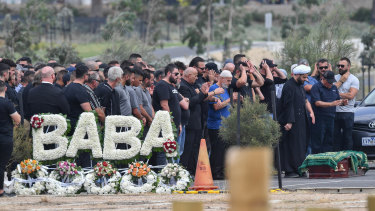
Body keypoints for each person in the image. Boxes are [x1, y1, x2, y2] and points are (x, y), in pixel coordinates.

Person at [179, 67, 219, 174]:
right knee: (188, 148)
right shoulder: (183, 87)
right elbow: (190, 102)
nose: (197, 78)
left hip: (198, 121)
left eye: (197, 75)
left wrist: (204, 93)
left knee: (195, 148)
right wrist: (202, 93)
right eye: (195, 76)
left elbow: (200, 98)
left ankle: (192, 171)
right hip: (190, 122)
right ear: (188, 75)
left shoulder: (194, 85)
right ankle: (184, 171)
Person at [277, 65, 315, 178]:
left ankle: (299, 168)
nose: (306, 80)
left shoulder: (299, 85)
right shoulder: (289, 86)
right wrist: (289, 121)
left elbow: (303, 100)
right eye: (304, 77)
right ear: (297, 75)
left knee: (300, 145)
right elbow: (288, 105)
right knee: (292, 146)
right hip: (292, 121)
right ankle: (290, 170)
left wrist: (311, 113)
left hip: (300, 120)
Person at [152, 64, 188, 165]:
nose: (178, 76)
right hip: (165, 125)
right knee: (164, 151)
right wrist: (170, 122)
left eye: (179, 74)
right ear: (168, 73)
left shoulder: (171, 86)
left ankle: (172, 173)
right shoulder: (162, 85)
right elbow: (164, 105)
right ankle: (164, 174)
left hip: (174, 124)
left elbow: (178, 105)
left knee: (173, 151)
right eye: (176, 74)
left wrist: (178, 123)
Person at [207, 70, 236, 180]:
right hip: (216, 124)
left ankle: (222, 171)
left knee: (224, 150)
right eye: (228, 80)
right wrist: (231, 99)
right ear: (222, 78)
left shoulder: (225, 89)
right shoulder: (214, 89)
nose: (229, 83)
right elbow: (216, 106)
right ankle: (215, 172)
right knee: (217, 150)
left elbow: (226, 103)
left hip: (225, 124)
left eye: (230, 81)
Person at [310, 71, 342, 154]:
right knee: (318, 141)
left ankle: (327, 160)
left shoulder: (334, 88)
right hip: (319, 118)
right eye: (329, 82)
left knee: (329, 140)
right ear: (323, 79)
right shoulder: (316, 87)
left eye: (332, 82)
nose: (330, 84)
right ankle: (316, 161)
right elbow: (317, 102)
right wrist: (331, 104)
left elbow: (337, 100)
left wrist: (342, 102)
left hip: (331, 117)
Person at [334, 57, 359, 151]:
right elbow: (329, 91)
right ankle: (337, 162)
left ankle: (348, 160)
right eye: (338, 66)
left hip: (348, 112)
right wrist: (341, 81)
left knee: (347, 137)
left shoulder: (354, 79)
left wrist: (336, 93)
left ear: (348, 67)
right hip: (335, 111)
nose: (340, 67)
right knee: (335, 138)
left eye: (342, 66)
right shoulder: (335, 78)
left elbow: (351, 95)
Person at [0, 80, 21, 197]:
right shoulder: (7, 103)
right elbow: (17, 119)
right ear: (5, 89)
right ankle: (0, 191)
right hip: (4, 137)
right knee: (1, 164)